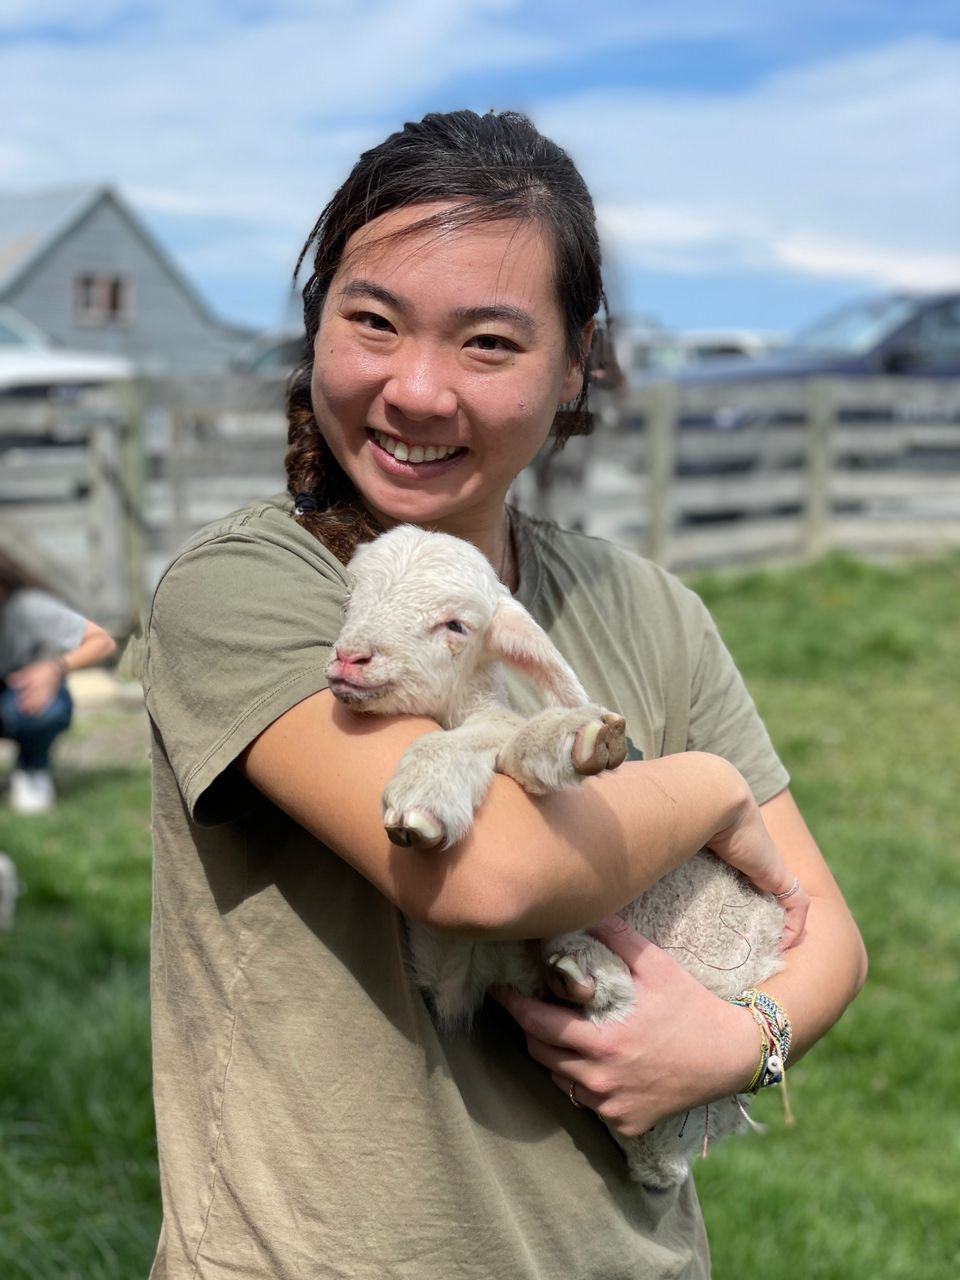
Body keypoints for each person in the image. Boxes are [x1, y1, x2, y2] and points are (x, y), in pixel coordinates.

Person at [144, 109, 866, 1279]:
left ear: (578, 360)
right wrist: (710, 787)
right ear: (317, 320)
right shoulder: (248, 588)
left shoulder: (647, 608)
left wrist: (741, 1040)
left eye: (488, 343)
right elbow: (486, 874)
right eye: (372, 321)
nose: (417, 390)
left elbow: (828, 934)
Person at [0, 560, 117, 814]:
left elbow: (102, 641)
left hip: (20, 693)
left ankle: (32, 768)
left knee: (45, 710)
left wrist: (53, 668)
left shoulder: (29, 606)